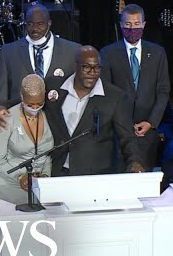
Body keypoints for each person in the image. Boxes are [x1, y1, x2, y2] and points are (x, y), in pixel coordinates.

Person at [43, 45, 144, 176]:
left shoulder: (114, 97)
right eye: (86, 67)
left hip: (95, 174)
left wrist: (134, 161)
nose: (92, 72)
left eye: (97, 68)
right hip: (57, 170)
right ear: (75, 66)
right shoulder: (53, 87)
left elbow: (127, 137)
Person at [100, 3, 171, 171]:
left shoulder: (157, 53)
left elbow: (163, 91)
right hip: (118, 132)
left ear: (144, 25)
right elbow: (105, 91)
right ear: (121, 25)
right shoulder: (108, 53)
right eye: (128, 24)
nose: (132, 29)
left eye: (137, 24)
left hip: (147, 131)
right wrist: (121, 124)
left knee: (143, 176)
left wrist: (151, 122)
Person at [0, 3, 81, 129]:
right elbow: (1, 94)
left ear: (49, 23)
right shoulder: (9, 52)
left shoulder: (72, 50)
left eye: (40, 24)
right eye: (30, 24)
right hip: (20, 124)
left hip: (60, 124)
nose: (35, 29)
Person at [0, 74, 54, 205]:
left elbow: (46, 154)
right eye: (30, 104)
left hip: (36, 189)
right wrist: (19, 176)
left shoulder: (49, 117)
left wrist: (45, 176)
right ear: (22, 96)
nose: (35, 108)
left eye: (39, 103)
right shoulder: (6, 118)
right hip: (6, 188)